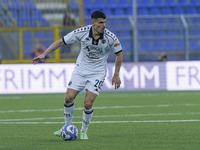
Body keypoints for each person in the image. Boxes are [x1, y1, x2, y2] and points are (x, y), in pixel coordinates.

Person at [32, 11, 123, 140]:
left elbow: (119, 53)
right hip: (81, 70)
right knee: (68, 98)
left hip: (98, 72)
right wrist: (44, 53)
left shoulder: (110, 37)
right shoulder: (82, 32)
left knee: (88, 102)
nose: (104, 25)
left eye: (105, 22)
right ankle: (67, 127)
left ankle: (84, 131)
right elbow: (61, 42)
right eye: (101, 23)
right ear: (93, 23)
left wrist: (116, 74)